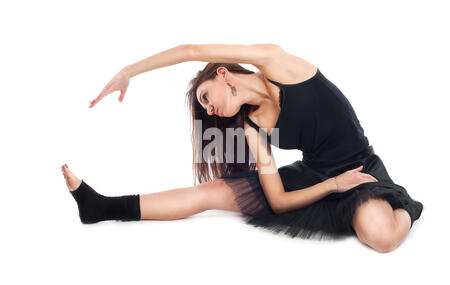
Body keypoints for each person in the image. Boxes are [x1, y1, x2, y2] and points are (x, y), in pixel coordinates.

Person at [62, 44, 423, 253]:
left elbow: (192, 50)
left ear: (221, 73)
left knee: (381, 237)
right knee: (214, 191)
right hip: (317, 178)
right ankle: (102, 207)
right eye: (204, 109)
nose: (209, 110)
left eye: (205, 98)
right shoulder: (251, 126)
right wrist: (330, 186)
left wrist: (130, 70)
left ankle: (403, 203)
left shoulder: (278, 63)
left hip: (360, 171)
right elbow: (279, 200)